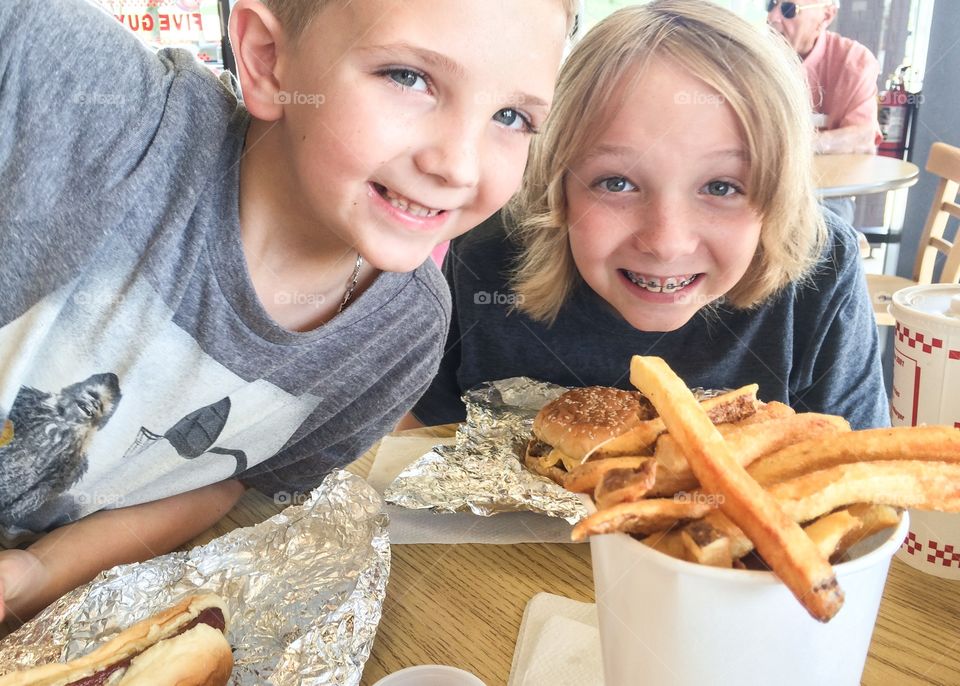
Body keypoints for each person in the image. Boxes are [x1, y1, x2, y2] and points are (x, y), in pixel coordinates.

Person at [0, 0, 574, 624]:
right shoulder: (92, 101)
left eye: (512, 116)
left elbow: (224, 478)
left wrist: (42, 571)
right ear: (268, 60)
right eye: (408, 77)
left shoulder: (397, 343)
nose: (458, 165)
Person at [405, 0, 888, 436]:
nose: (666, 243)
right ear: (556, 186)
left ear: (778, 197)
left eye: (722, 187)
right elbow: (420, 438)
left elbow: (863, 477)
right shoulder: (486, 254)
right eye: (617, 183)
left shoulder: (820, 268)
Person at [767, 0, 882, 156]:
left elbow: (863, 137)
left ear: (826, 16)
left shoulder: (854, 60)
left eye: (789, 9)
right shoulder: (754, 57)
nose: (772, 17)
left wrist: (795, 147)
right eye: (771, 4)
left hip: (836, 178)